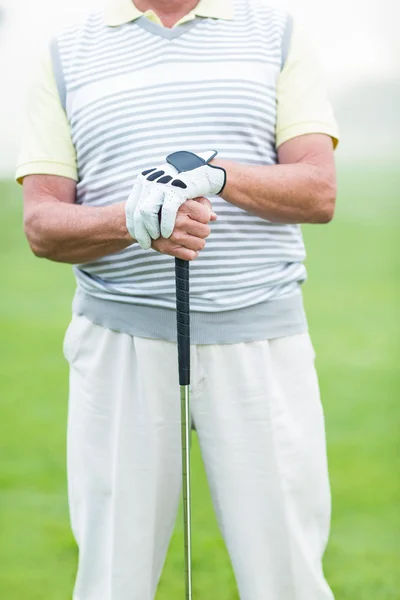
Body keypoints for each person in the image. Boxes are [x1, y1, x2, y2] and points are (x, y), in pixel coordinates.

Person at [16, 0, 339, 598]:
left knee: (288, 579)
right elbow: (42, 224)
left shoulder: (278, 34)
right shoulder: (63, 53)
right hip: (119, 348)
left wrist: (215, 173)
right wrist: (133, 220)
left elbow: (318, 190)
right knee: (113, 579)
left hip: (261, 341)